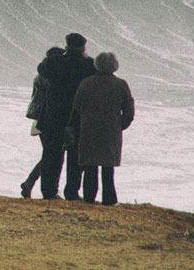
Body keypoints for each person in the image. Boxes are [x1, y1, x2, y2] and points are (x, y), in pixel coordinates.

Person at [71, 52, 135, 205]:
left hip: (89, 127)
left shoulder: (86, 83)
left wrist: (83, 121)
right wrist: (120, 126)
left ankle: (89, 198)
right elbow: (129, 110)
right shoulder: (121, 84)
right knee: (108, 167)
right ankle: (109, 199)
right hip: (111, 130)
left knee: (90, 166)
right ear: (115, 66)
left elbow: (77, 106)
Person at [38, 33, 96, 200]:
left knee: (51, 154)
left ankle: (49, 191)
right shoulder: (88, 64)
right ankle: (72, 191)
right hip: (77, 114)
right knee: (75, 155)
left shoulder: (55, 62)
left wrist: (60, 54)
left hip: (54, 113)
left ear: (66, 46)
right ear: (83, 48)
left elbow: (42, 68)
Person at [21, 47, 63, 199]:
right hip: (50, 118)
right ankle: (33, 183)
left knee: (49, 154)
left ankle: (30, 183)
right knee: (52, 155)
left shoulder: (39, 76)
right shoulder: (53, 77)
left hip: (39, 118)